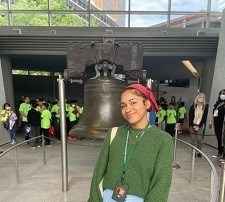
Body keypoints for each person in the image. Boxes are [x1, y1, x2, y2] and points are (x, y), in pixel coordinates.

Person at [88, 83, 173, 202]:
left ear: (147, 103)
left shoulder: (162, 139)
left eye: (133, 103)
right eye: (123, 106)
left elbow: (161, 182)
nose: (127, 109)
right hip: (107, 197)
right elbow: (99, 172)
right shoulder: (114, 133)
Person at [189, 93, 208, 158]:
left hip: (200, 125)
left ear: (204, 99)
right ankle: (193, 152)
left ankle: (199, 152)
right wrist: (193, 125)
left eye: (202, 97)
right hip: (192, 125)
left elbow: (204, 118)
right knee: (193, 139)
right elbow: (190, 117)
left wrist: (198, 126)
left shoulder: (205, 107)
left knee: (199, 140)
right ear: (197, 98)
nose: (201, 98)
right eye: (199, 97)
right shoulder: (193, 106)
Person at [209, 89, 225, 159]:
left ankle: (223, 155)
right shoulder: (218, 103)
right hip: (216, 123)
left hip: (222, 124)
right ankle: (219, 153)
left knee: (223, 139)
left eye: (224, 93)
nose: (222, 95)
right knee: (218, 138)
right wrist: (210, 121)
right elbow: (214, 113)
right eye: (221, 93)